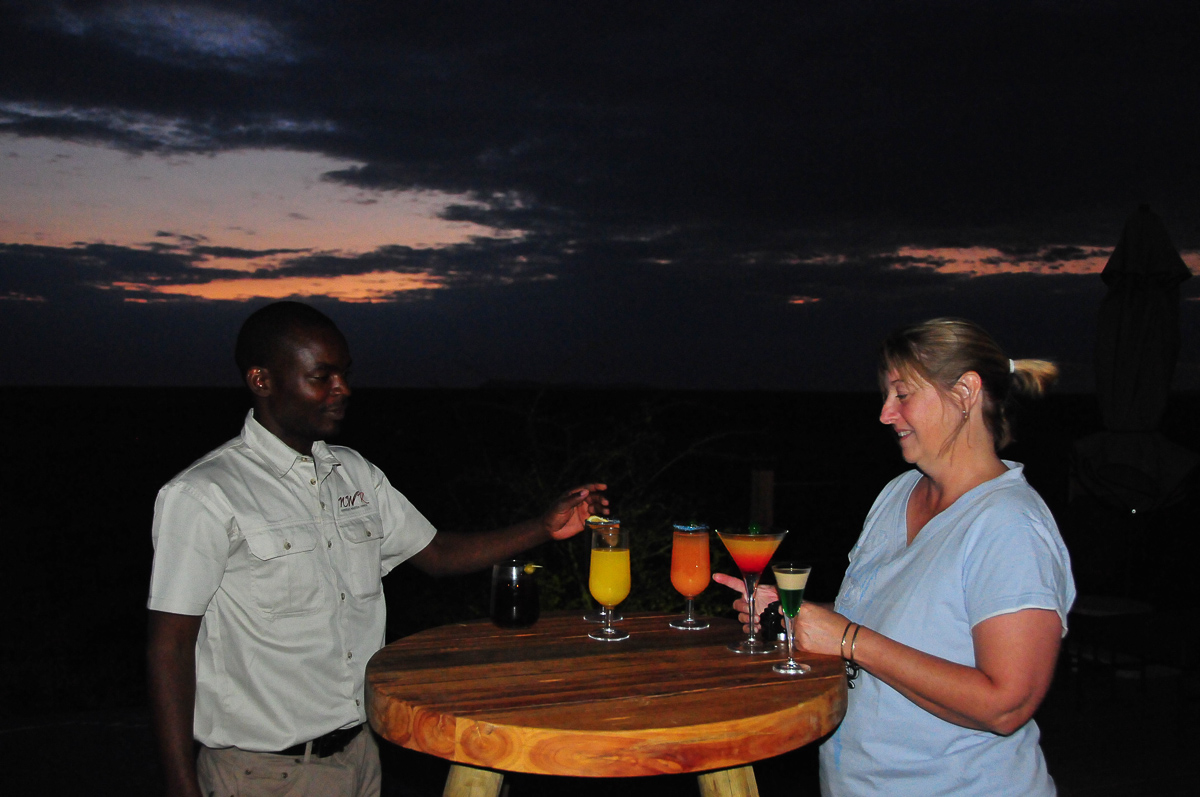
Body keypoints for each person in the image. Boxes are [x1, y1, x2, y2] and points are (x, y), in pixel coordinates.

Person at [146, 301, 607, 797]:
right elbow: (169, 645)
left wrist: (543, 526)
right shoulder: (204, 495)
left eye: (344, 374)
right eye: (321, 376)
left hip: (362, 756)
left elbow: (438, 554)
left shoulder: (355, 473)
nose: (343, 389)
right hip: (263, 775)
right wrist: (179, 782)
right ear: (262, 380)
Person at [716, 317, 1075, 796]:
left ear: (966, 393)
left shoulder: (1009, 525)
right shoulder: (898, 493)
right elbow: (880, 621)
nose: (886, 414)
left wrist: (847, 638)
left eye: (902, 394)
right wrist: (798, 616)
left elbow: (1005, 705)